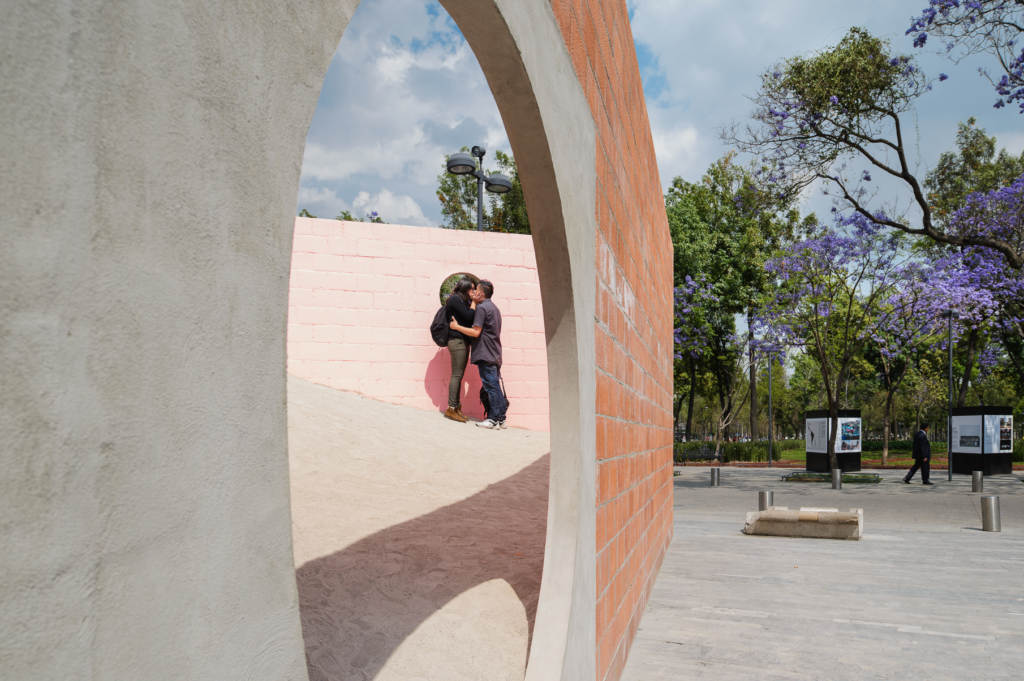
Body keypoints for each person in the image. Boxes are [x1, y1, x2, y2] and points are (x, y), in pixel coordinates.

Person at [449, 279, 506, 429]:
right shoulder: (495, 308)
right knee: (495, 386)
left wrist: (456, 326)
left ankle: (493, 419)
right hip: (495, 353)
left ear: (481, 292)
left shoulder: (482, 308)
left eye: (476, 289)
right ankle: (501, 418)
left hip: (485, 353)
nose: (473, 292)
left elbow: (475, 332)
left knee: (491, 387)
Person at [442, 278, 477, 423]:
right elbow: (469, 318)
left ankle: (456, 407)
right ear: (464, 288)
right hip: (457, 341)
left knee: (459, 375)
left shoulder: (463, 301)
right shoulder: (455, 299)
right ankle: (451, 408)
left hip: (462, 341)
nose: (473, 292)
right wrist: (475, 302)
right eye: (471, 289)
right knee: (456, 375)